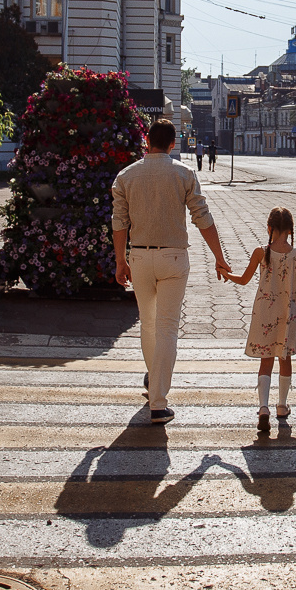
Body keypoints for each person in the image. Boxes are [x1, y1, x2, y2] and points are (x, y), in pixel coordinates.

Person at [111, 119, 230, 423]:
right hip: (174, 259)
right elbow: (202, 217)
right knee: (167, 327)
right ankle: (158, 403)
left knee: (148, 324)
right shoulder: (184, 173)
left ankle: (154, 379)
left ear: (146, 141)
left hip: (139, 257)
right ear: (173, 144)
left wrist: (120, 261)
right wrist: (219, 256)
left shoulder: (126, 176)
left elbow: (119, 222)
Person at [223, 206, 296, 432]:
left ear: (269, 228)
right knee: (285, 360)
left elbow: (244, 280)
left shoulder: (260, 252)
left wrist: (226, 273)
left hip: (264, 312)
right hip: (287, 314)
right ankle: (282, 405)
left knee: (265, 360)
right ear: (290, 230)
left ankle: (263, 407)